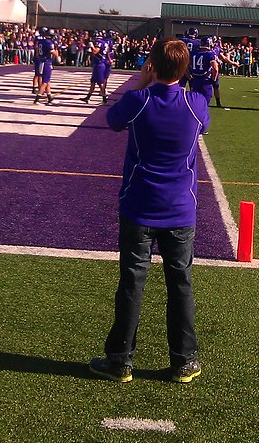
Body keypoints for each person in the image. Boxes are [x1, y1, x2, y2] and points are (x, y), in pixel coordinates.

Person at [90, 37, 209, 384]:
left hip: (139, 206)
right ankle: (184, 361)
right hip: (180, 210)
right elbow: (203, 124)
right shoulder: (195, 103)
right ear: (184, 69)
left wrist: (144, 82)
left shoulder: (137, 100)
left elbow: (112, 119)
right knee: (181, 285)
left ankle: (120, 360)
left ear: (152, 65)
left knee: (131, 284)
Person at [82, 30, 113, 105]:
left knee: (100, 83)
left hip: (99, 64)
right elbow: (108, 51)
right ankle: (88, 97)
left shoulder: (98, 42)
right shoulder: (104, 42)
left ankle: (104, 99)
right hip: (100, 63)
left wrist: (91, 46)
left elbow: (96, 51)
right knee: (93, 81)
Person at [189, 36, 219, 106]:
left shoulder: (193, 53)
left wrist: (190, 77)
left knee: (195, 105)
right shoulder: (210, 54)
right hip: (205, 81)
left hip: (195, 81)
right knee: (204, 106)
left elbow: (186, 67)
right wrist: (213, 79)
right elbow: (215, 69)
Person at [33, 27, 59, 104]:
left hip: (42, 61)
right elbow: (55, 54)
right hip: (46, 62)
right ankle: (37, 99)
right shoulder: (48, 43)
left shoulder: (42, 41)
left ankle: (49, 97)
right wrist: (56, 48)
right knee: (45, 82)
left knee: (47, 81)